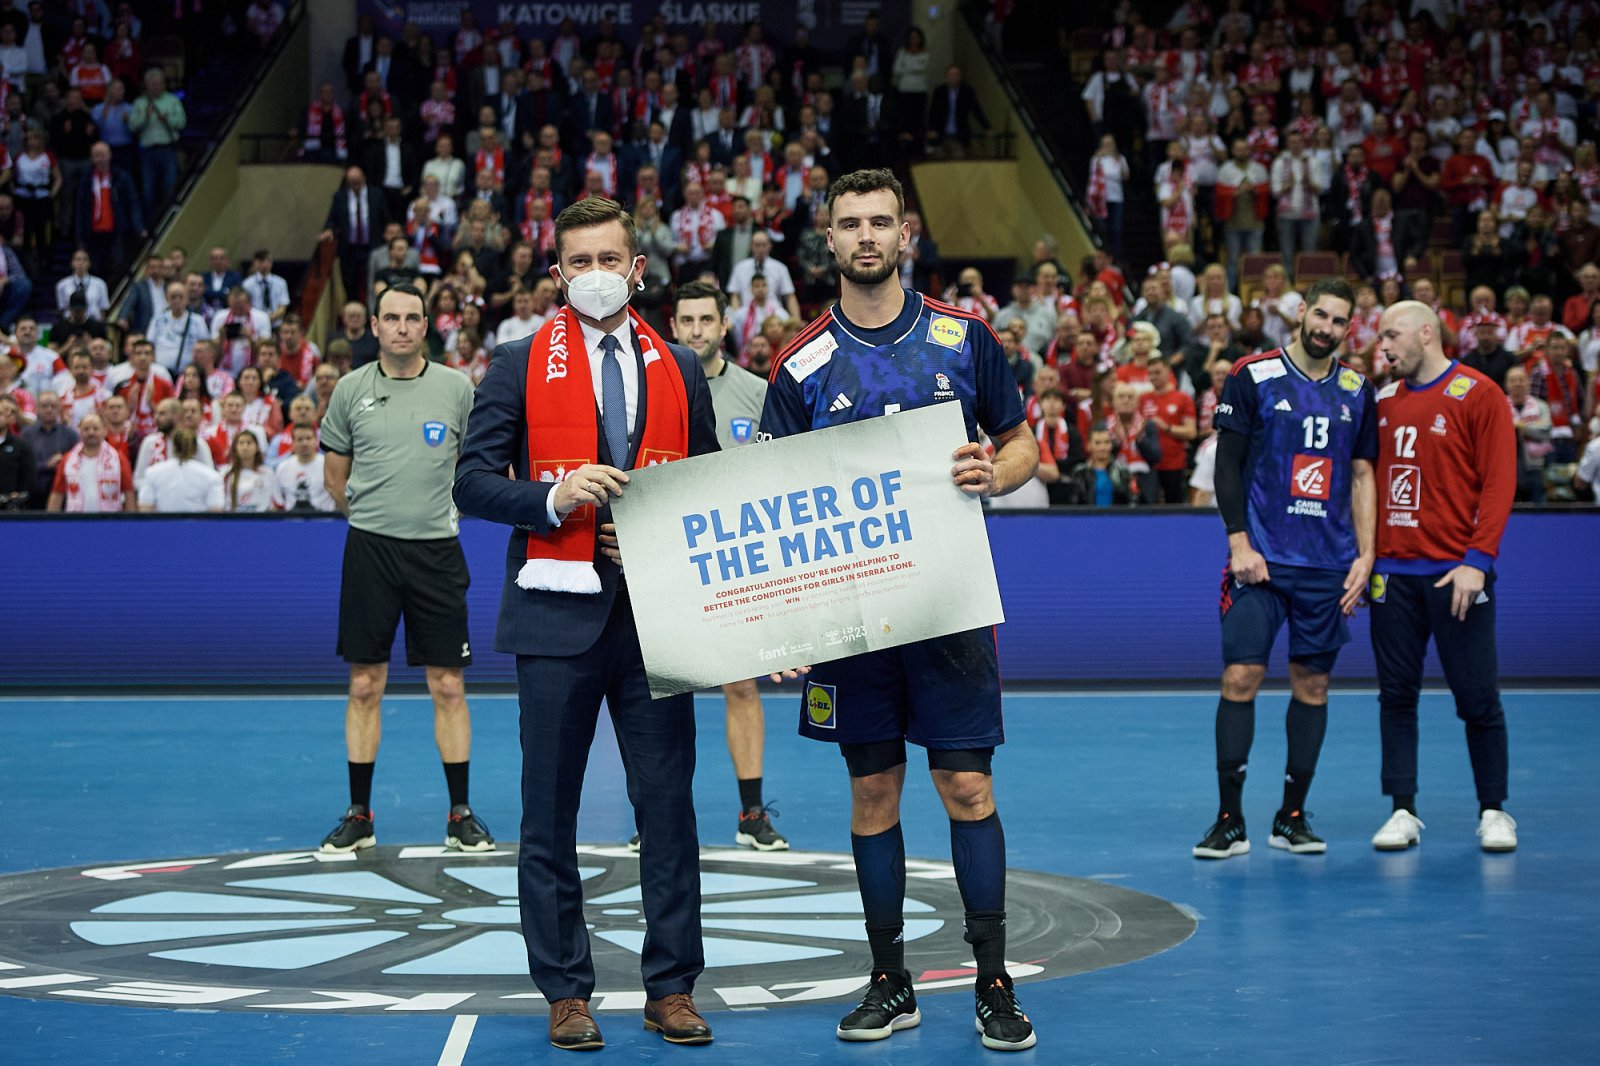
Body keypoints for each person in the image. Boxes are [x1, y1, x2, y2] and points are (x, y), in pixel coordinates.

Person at [759, 169, 1039, 1052]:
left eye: (881, 222)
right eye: (851, 224)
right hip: (852, 616)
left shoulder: (963, 337)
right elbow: (771, 501)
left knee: (967, 786)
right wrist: (781, 621)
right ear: (829, 240)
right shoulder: (800, 364)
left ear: (906, 233)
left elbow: (1021, 442)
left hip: (949, 605)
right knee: (873, 790)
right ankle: (890, 980)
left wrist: (997, 472)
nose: (867, 237)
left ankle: (993, 982)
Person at [453, 196, 719, 1051]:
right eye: (580, 261)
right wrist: (552, 496)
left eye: (610, 259)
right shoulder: (517, 362)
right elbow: (471, 482)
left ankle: (671, 988)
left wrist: (652, 527)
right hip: (553, 614)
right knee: (548, 815)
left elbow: (709, 486)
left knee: (668, 811)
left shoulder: (681, 366)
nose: (596, 274)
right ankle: (566, 991)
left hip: (656, 616)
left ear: (637, 268)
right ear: (558, 272)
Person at [1196, 278, 1377, 861]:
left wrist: (1366, 554)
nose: (1327, 328)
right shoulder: (1252, 375)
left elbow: (1364, 476)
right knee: (1240, 677)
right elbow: (1227, 464)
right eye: (1320, 315)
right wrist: (1239, 542)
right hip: (1262, 562)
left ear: (1349, 328)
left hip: (1328, 566)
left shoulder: (1358, 390)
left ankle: (1292, 817)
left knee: (1313, 686)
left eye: (1339, 321)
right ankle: (1229, 820)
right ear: (1301, 311)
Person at [316, 284, 488, 858]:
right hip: (370, 552)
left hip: (437, 553)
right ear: (374, 326)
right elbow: (334, 477)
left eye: (412, 317)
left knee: (449, 684)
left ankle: (460, 814)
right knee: (365, 683)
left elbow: (475, 465)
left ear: (425, 326)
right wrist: (376, 519)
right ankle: (359, 815)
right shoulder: (350, 389)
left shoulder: (457, 388)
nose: (402, 327)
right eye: (391, 317)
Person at [1369, 302, 1519, 854]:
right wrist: (1365, 561)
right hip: (1392, 577)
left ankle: (1494, 810)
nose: (1383, 346)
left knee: (1478, 698)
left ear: (1427, 333)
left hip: (1457, 576)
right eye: (1380, 336)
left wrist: (1477, 561)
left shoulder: (1479, 393)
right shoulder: (1381, 400)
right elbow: (1363, 485)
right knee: (1395, 698)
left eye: (1392, 334)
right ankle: (1402, 810)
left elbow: (1500, 482)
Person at [668, 280, 788, 850]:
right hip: (669, 560)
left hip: (737, 563)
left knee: (741, 685)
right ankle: (657, 816)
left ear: (724, 325)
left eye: (705, 320)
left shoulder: (757, 392)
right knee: (664, 693)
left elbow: (776, 476)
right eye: (686, 321)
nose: (696, 331)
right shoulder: (654, 387)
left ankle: (751, 814)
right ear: (674, 327)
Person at [46, 411, 131, 512]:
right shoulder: (68, 459)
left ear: (105, 431)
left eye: (95, 428)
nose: (91, 432)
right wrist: (50, 519)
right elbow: (57, 493)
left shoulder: (118, 459)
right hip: (76, 519)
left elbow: (129, 492)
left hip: (109, 519)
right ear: (79, 431)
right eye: (86, 429)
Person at [138, 426, 220, 512]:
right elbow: (216, 510)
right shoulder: (212, 476)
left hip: (163, 519)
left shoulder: (152, 473)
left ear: (173, 446)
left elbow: (145, 508)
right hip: (198, 520)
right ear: (195, 449)